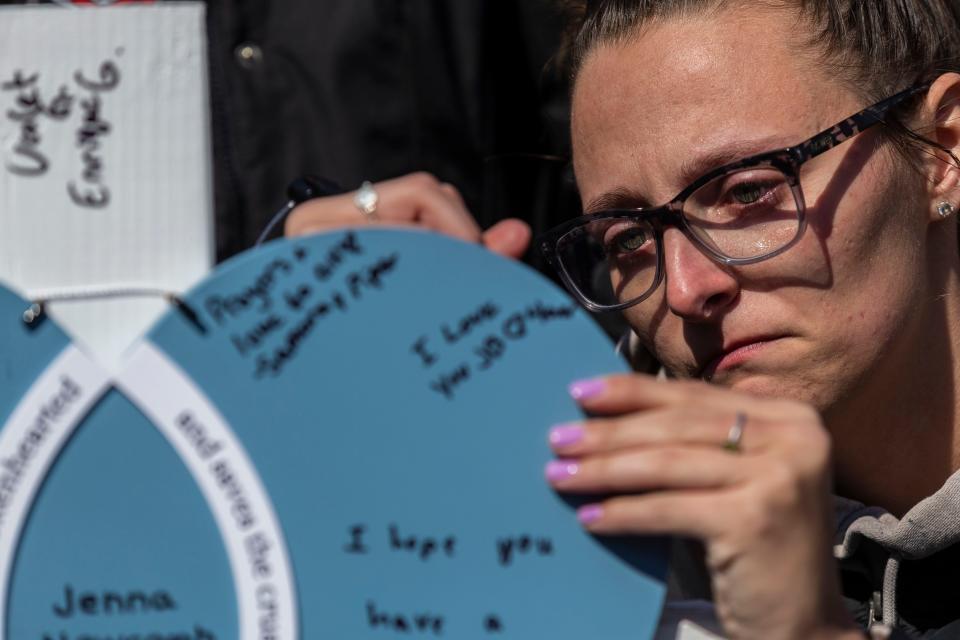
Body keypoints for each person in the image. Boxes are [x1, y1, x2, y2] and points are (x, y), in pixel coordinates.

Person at [285, 1, 960, 638]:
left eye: (750, 190)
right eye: (628, 239)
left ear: (940, 150)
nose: (689, 289)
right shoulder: (576, 525)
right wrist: (272, 341)